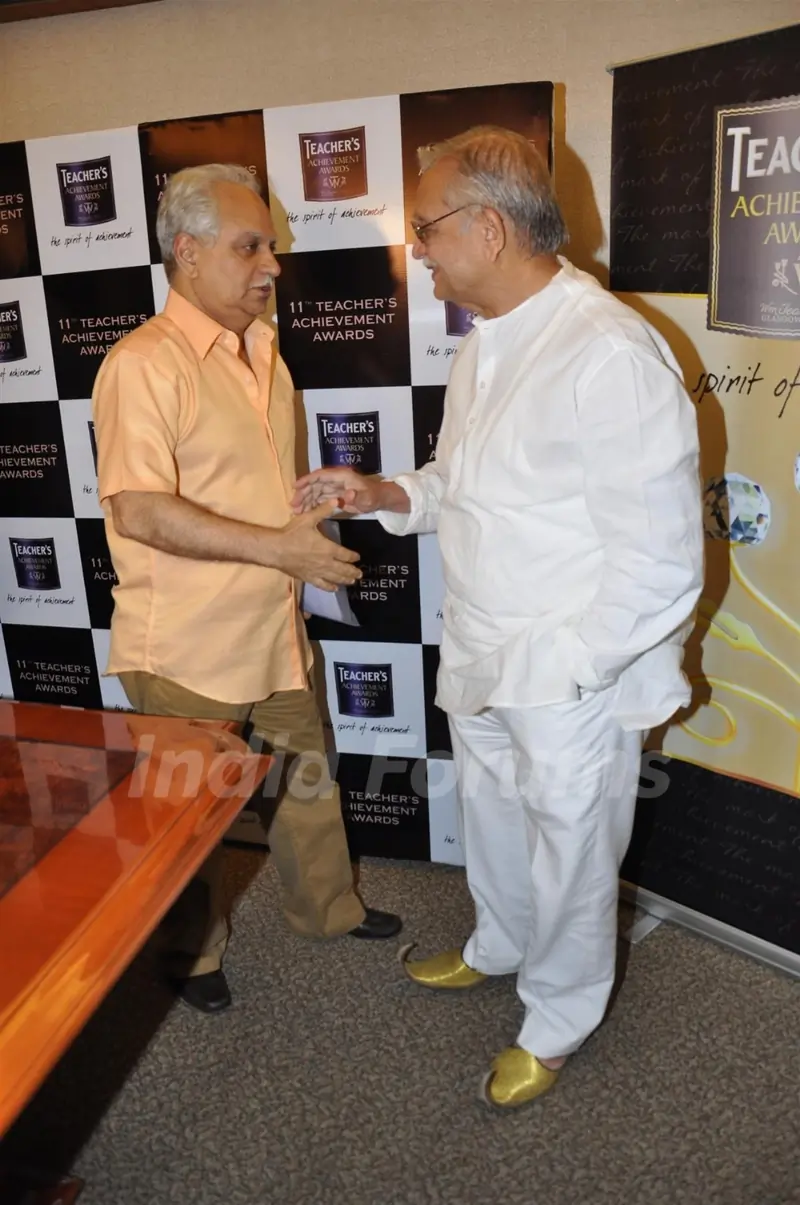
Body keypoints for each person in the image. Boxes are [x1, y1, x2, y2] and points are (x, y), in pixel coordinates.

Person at [292, 126, 704, 1108]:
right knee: (491, 817)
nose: (418, 250)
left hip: (567, 670)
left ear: (487, 226)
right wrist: (383, 491)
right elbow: (462, 484)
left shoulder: (605, 350)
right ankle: (497, 942)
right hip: (480, 643)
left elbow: (658, 559)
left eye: (425, 228)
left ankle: (557, 1018)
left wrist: (567, 671)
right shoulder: (487, 345)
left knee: (570, 851)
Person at [91, 163, 402, 1016]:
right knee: (182, 824)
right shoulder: (142, 365)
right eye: (250, 246)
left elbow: (246, 480)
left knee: (307, 779)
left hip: (273, 625)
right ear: (187, 253)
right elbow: (142, 510)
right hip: (185, 646)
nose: (272, 264)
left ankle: (328, 911)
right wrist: (279, 548)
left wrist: (307, 503)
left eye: (271, 246)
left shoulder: (263, 348)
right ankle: (192, 957)